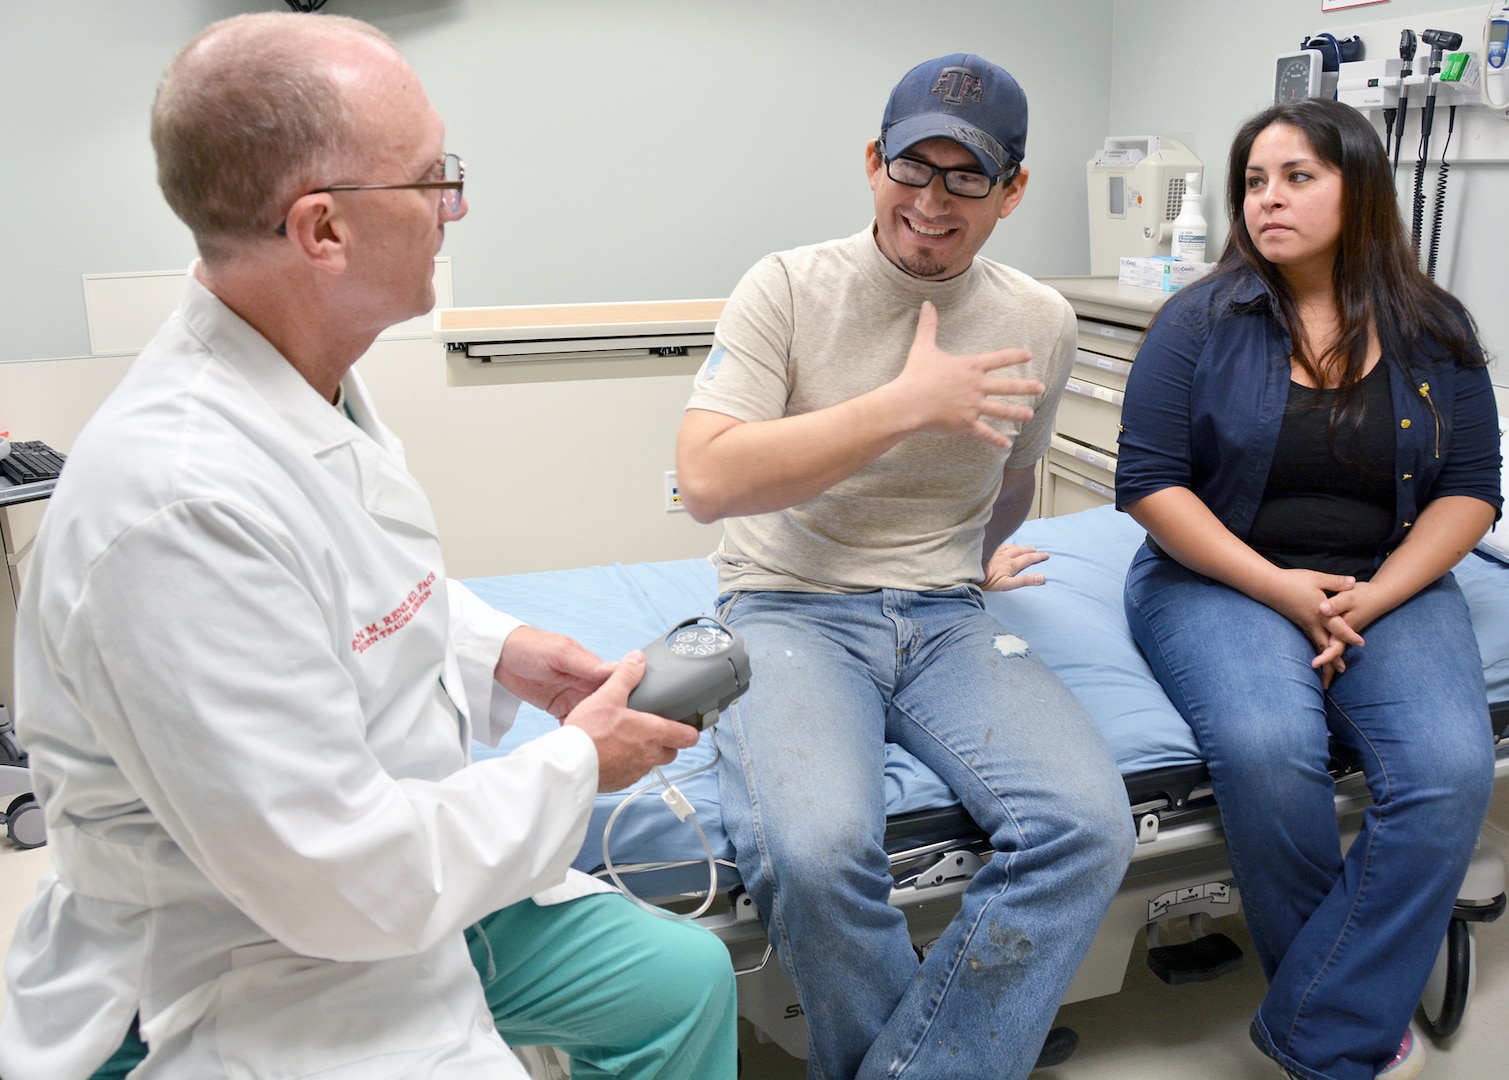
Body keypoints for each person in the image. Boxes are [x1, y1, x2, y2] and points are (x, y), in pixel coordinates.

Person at [0, 13, 736, 1080]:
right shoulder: (175, 506)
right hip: (251, 953)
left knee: (681, 984)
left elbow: (355, 583)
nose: (459, 206)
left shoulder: (307, 376)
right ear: (324, 232)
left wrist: (496, 652)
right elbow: (343, 880)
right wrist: (585, 761)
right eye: (433, 179)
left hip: (394, 873)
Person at [675, 54, 1134, 1080]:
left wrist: (973, 562)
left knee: (1088, 826)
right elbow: (706, 478)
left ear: (1012, 191)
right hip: (788, 607)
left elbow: (1013, 474)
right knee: (818, 850)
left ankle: (933, 1049)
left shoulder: (1041, 322)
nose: (930, 202)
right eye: (910, 167)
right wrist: (903, 405)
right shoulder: (787, 287)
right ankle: (969, 1041)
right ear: (872, 163)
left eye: (966, 175)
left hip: (946, 614)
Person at [1116, 97, 1502, 1080]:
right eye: (1255, 181)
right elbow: (1150, 485)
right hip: (1220, 574)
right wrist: (1285, 592)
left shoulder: (1435, 330)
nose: (1268, 199)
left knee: (1452, 769)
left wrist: (1372, 598)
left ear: (1359, 189)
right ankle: (1351, 1025)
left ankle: (1318, 1020)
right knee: (1266, 744)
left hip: (1389, 577)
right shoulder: (1199, 319)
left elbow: (1469, 494)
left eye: (1298, 178)